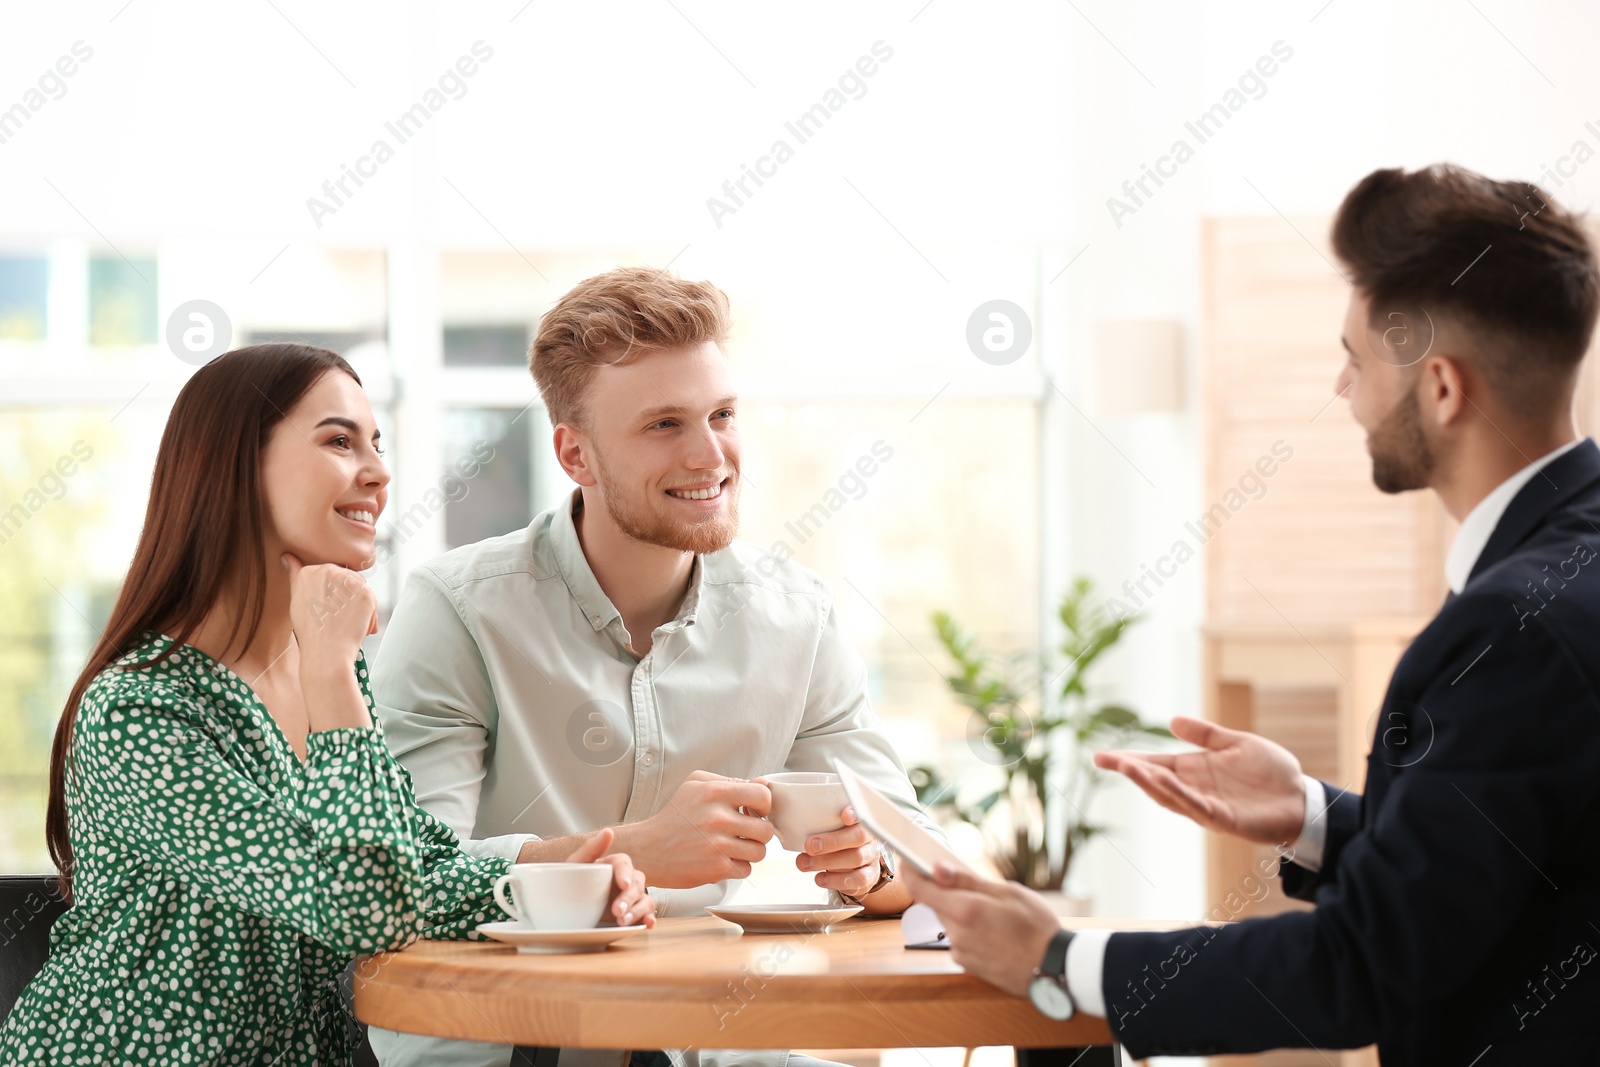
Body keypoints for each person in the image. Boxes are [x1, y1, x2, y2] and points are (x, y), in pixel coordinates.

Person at [901, 164, 1600, 1065]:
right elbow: (1504, 869)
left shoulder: (1511, 629)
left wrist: (1062, 957)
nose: (1343, 390)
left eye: (1354, 358)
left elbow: (1362, 967)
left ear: (1441, 389)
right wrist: (1310, 811)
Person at [0, 344, 653, 1066]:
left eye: (377, 444)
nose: (377, 472)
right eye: (339, 441)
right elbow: (366, 909)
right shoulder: (139, 711)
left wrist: (569, 877)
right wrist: (334, 672)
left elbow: (410, 872)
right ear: (235, 466)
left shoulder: (321, 670)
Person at [367, 268, 940, 1067]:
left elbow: (923, 857)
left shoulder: (796, 616)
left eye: (722, 414)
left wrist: (869, 865)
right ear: (577, 453)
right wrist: (627, 849)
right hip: (498, 1043)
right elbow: (401, 875)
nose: (710, 453)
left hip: (704, 1039)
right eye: (665, 424)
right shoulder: (459, 608)